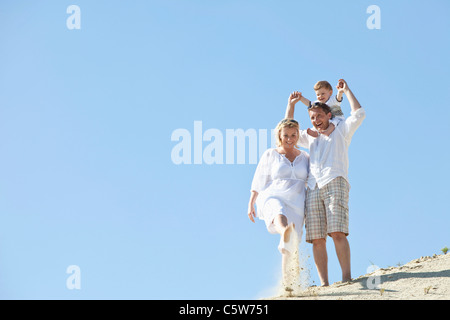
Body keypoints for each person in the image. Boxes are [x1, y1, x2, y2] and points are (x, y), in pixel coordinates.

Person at [285, 79, 366, 286]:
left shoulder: (341, 129)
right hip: (313, 187)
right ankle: (324, 284)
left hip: (335, 180)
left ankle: (347, 278)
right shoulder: (310, 136)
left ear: (329, 115)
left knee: (337, 232)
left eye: (319, 116)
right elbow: (288, 133)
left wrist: (347, 91)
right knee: (317, 238)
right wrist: (291, 106)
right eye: (312, 118)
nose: (316, 120)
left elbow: (359, 114)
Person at [248, 118, 309, 291]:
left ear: (298, 135)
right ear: (279, 136)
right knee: (278, 212)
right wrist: (251, 202)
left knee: (291, 247)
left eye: (293, 135)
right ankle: (284, 231)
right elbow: (259, 179)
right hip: (274, 194)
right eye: (286, 135)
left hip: (297, 201)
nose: (289, 138)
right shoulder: (271, 154)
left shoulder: (305, 157)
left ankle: (289, 285)